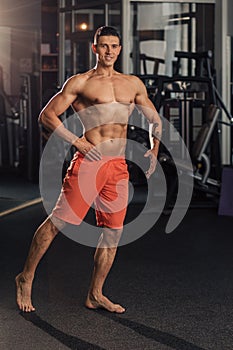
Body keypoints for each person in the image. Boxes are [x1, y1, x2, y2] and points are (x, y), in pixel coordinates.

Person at [15, 26, 162, 313]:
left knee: (113, 233)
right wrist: (77, 142)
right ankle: (25, 277)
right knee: (59, 223)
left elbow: (155, 120)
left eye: (114, 45)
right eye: (103, 45)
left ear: (120, 49)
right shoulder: (81, 82)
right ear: (94, 48)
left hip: (117, 167)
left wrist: (154, 149)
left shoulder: (133, 84)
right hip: (88, 163)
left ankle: (95, 294)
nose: (109, 50)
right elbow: (47, 115)